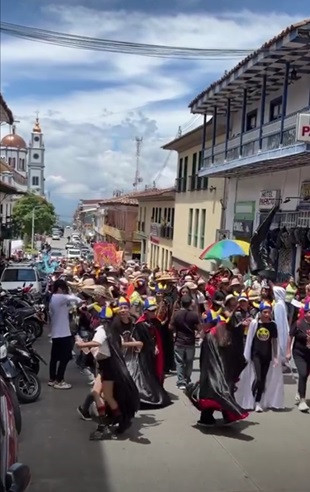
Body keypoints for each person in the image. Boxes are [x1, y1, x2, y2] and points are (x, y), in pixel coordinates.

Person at [76, 308, 141, 439]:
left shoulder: (101, 330)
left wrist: (82, 344)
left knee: (97, 393)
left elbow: (97, 342)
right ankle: (120, 420)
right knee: (107, 396)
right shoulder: (114, 330)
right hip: (111, 368)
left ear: (100, 319)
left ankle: (103, 425)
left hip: (106, 367)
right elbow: (121, 345)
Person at [236, 302, 284, 412]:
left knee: (263, 379)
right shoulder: (255, 323)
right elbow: (249, 339)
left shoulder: (273, 325)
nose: (267, 314)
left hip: (267, 355)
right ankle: (252, 395)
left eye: (269, 312)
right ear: (260, 312)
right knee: (258, 378)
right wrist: (247, 354)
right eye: (265, 312)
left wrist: (276, 356)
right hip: (256, 355)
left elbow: (274, 341)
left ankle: (257, 401)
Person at [48, 279, 83, 389]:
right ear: (59, 288)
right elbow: (77, 300)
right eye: (63, 289)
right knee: (65, 357)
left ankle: (52, 379)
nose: (64, 291)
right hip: (63, 333)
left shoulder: (53, 299)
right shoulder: (61, 297)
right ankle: (60, 380)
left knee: (54, 358)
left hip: (55, 333)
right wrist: (71, 293)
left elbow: (62, 311)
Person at [170, 295, 200, 390]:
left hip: (179, 342)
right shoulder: (194, 315)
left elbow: (170, 326)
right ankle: (187, 380)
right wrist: (195, 332)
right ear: (190, 303)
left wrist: (175, 331)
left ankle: (181, 381)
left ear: (181, 303)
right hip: (190, 342)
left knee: (179, 362)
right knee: (189, 362)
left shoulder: (176, 314)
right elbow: (200, 327)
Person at [286, 302, 310, 412]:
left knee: (306, 375)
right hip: (299, 353)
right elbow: (290, 337)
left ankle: (300, 390)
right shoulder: (298, 324)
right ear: (305, 313)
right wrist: (288, 351)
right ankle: (302, 400)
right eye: (309, 312)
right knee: (303, 373)